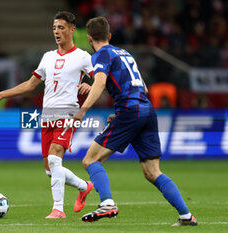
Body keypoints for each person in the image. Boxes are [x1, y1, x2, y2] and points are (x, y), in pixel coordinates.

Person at [73, 16, 198, 226]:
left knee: (90, 160)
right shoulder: (125, 53)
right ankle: (186, 216)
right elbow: (144, 88)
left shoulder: (102, 54)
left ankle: (107, 203)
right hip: (146, 109)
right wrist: (124, 112)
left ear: (89, 39)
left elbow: (101, 82)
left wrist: (83, 109)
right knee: (152, 171)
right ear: (109, 36)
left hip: (131, 110)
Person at [0, 11, 94, 219]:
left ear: (72, 29)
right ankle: (84, 186)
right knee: (50, 169)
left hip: (68, 112)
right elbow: (31, 84)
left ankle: (58, 209)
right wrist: (2, 94)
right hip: (47, 115)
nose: (57, 32)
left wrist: (91, 86)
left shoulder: (82, 56)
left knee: (54, 158)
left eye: (61, 28)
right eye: (54, 28)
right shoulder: (48, 57)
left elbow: (101, 78)